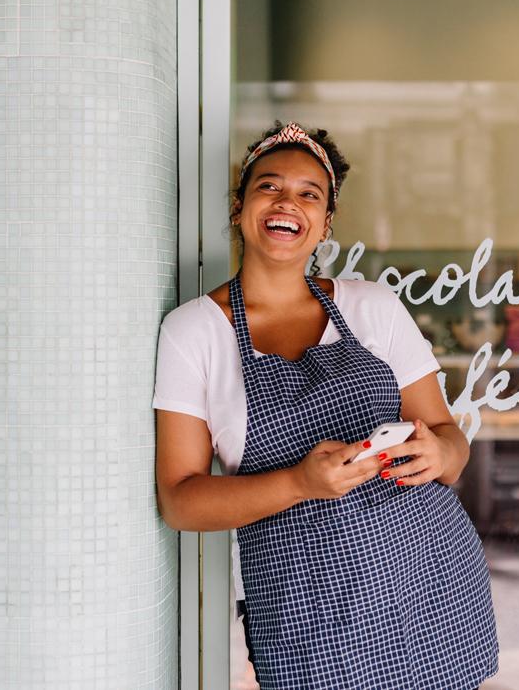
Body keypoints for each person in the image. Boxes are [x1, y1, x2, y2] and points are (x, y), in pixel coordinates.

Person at [153, 120, 499, 690]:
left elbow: (448, 437)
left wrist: (439, 454)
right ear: (239, 208)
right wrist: (300, 484)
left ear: (326, 223)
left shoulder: (374, 308)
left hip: (429, 583)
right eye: (269, 186)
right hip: (308, 614)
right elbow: (181, 501)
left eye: (309, 193)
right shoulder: (194, 332)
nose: (288, 202)